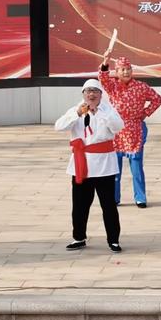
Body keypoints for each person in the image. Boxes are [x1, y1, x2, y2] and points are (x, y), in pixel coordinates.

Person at [54, 79, 125, 253]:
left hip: (104, 165)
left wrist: (101, 114)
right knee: (80, 204)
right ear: (83, 94)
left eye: (95, 91)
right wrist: (77, 114)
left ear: (100, 94)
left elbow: (118, 127)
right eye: (88, 91)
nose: (91, 94)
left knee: (108, 205)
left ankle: (113, 240)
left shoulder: (108, 109)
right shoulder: (76, 110)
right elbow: (59, 126)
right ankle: (79, 237)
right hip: (82, 163)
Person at [99, 54, 161, 208]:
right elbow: (103, 78)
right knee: (115, 167)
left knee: (136, 166)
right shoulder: (112, 86)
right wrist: (105, 62)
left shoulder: (141, 87)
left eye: (128, 69)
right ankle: (114, 198)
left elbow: (157, 99)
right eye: (122, 69)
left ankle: (140, 198)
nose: (126, 72)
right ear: (117, 72)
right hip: (116, 129)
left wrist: (145, 113)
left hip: (135, 129)